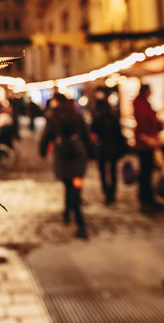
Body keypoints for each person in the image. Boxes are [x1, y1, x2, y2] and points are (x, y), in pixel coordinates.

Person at [39, 93, 91, 238]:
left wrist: (42, 151)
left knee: (69, 186)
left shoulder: (53, 116)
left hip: (62, 155)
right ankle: (68, 213)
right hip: (78, 155)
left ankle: (78, 220)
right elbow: (85, 134)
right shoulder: (76, 114)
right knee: (74, 186)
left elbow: (46, 136)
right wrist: (90, 153)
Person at [132, 84, 163, 212]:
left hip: (147, 140)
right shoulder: (140, 103)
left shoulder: (143, 103)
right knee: (146, 171)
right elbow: (145, 120)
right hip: (145, 142)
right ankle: (146, 199)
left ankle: (148, 198)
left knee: (147, 171)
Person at [91, 89, 124, 204]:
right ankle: (112, 193)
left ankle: (107, 193)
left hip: (102, 146)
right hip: (112, 146)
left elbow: (94, 130)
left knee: (103, 171)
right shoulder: (111, 115)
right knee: (113, 170)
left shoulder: (97, 115)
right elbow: (118, 132)